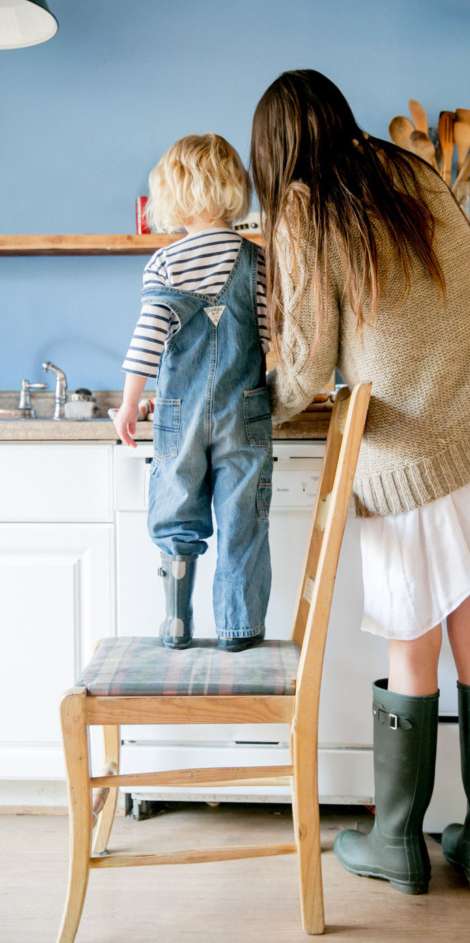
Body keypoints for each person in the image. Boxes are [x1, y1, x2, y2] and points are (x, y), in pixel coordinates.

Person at [250, 71, 470, 896]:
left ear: (275, 149)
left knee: (409, 646)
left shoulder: (302, 208)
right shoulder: (412, 170)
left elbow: (309, 361)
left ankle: (396, 842)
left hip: (415, 458)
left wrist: (257, 403)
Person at [114, 133, 272, 652]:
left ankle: (177, 625)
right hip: (245, 410)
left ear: (173, 194)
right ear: (233, 189)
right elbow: (270, 339)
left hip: (178, 414)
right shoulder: (258, 260)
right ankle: (238, 632)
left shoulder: (166, 261)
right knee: (242, 522)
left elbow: (147, 339)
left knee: (177, 514)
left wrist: (129, 401)